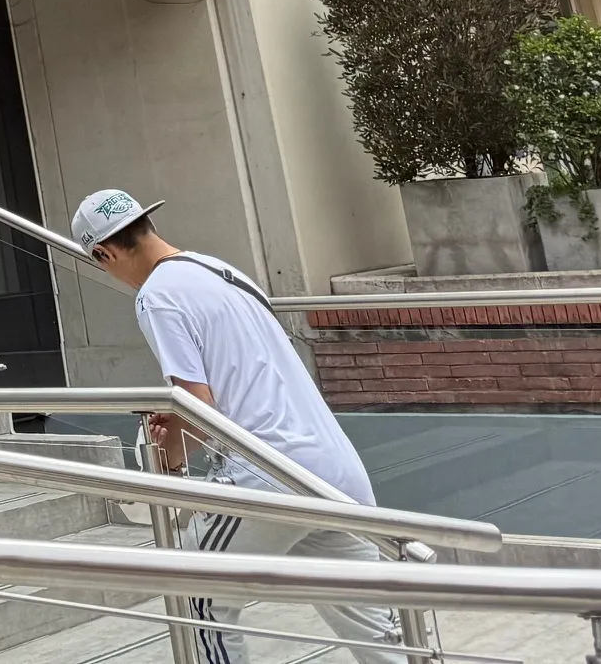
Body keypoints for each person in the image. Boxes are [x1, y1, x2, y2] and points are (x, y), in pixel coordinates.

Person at [71, 187, 403, 664]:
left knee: (194, 589)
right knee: (377, 630)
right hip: (334, 466)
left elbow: (197, 406)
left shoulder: (156, 297)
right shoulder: (222, 272)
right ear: (147, 225)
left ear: (104, 253)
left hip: (267, 473)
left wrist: (169, 456)